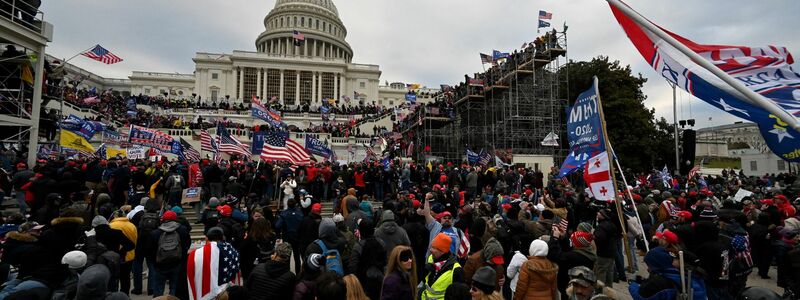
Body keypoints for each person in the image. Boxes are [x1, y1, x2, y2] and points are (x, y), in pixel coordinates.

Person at [147, 210, 190, 296]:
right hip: (177, 263)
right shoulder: (182, 230)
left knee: (159, 288)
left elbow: (150, 250)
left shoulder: (155, 233)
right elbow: (187, 244)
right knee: (174, 287)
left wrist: (155, 263)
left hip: (160, 265)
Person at [421, 233, 464, 299]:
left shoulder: (456, 270)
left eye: (434, 248)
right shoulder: (431, 258)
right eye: (431, 247)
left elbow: (457, 296)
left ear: (443, 251)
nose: (431, 250)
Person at [276, 199, 304, 272]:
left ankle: (287, 273)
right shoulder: (300, 213)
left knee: (286, 256)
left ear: (287, 204)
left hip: (287, 237)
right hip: (297, 237)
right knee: (297, 256)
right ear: (295, 204)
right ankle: (298, 274)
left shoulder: (283, 214)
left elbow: (277, 226)